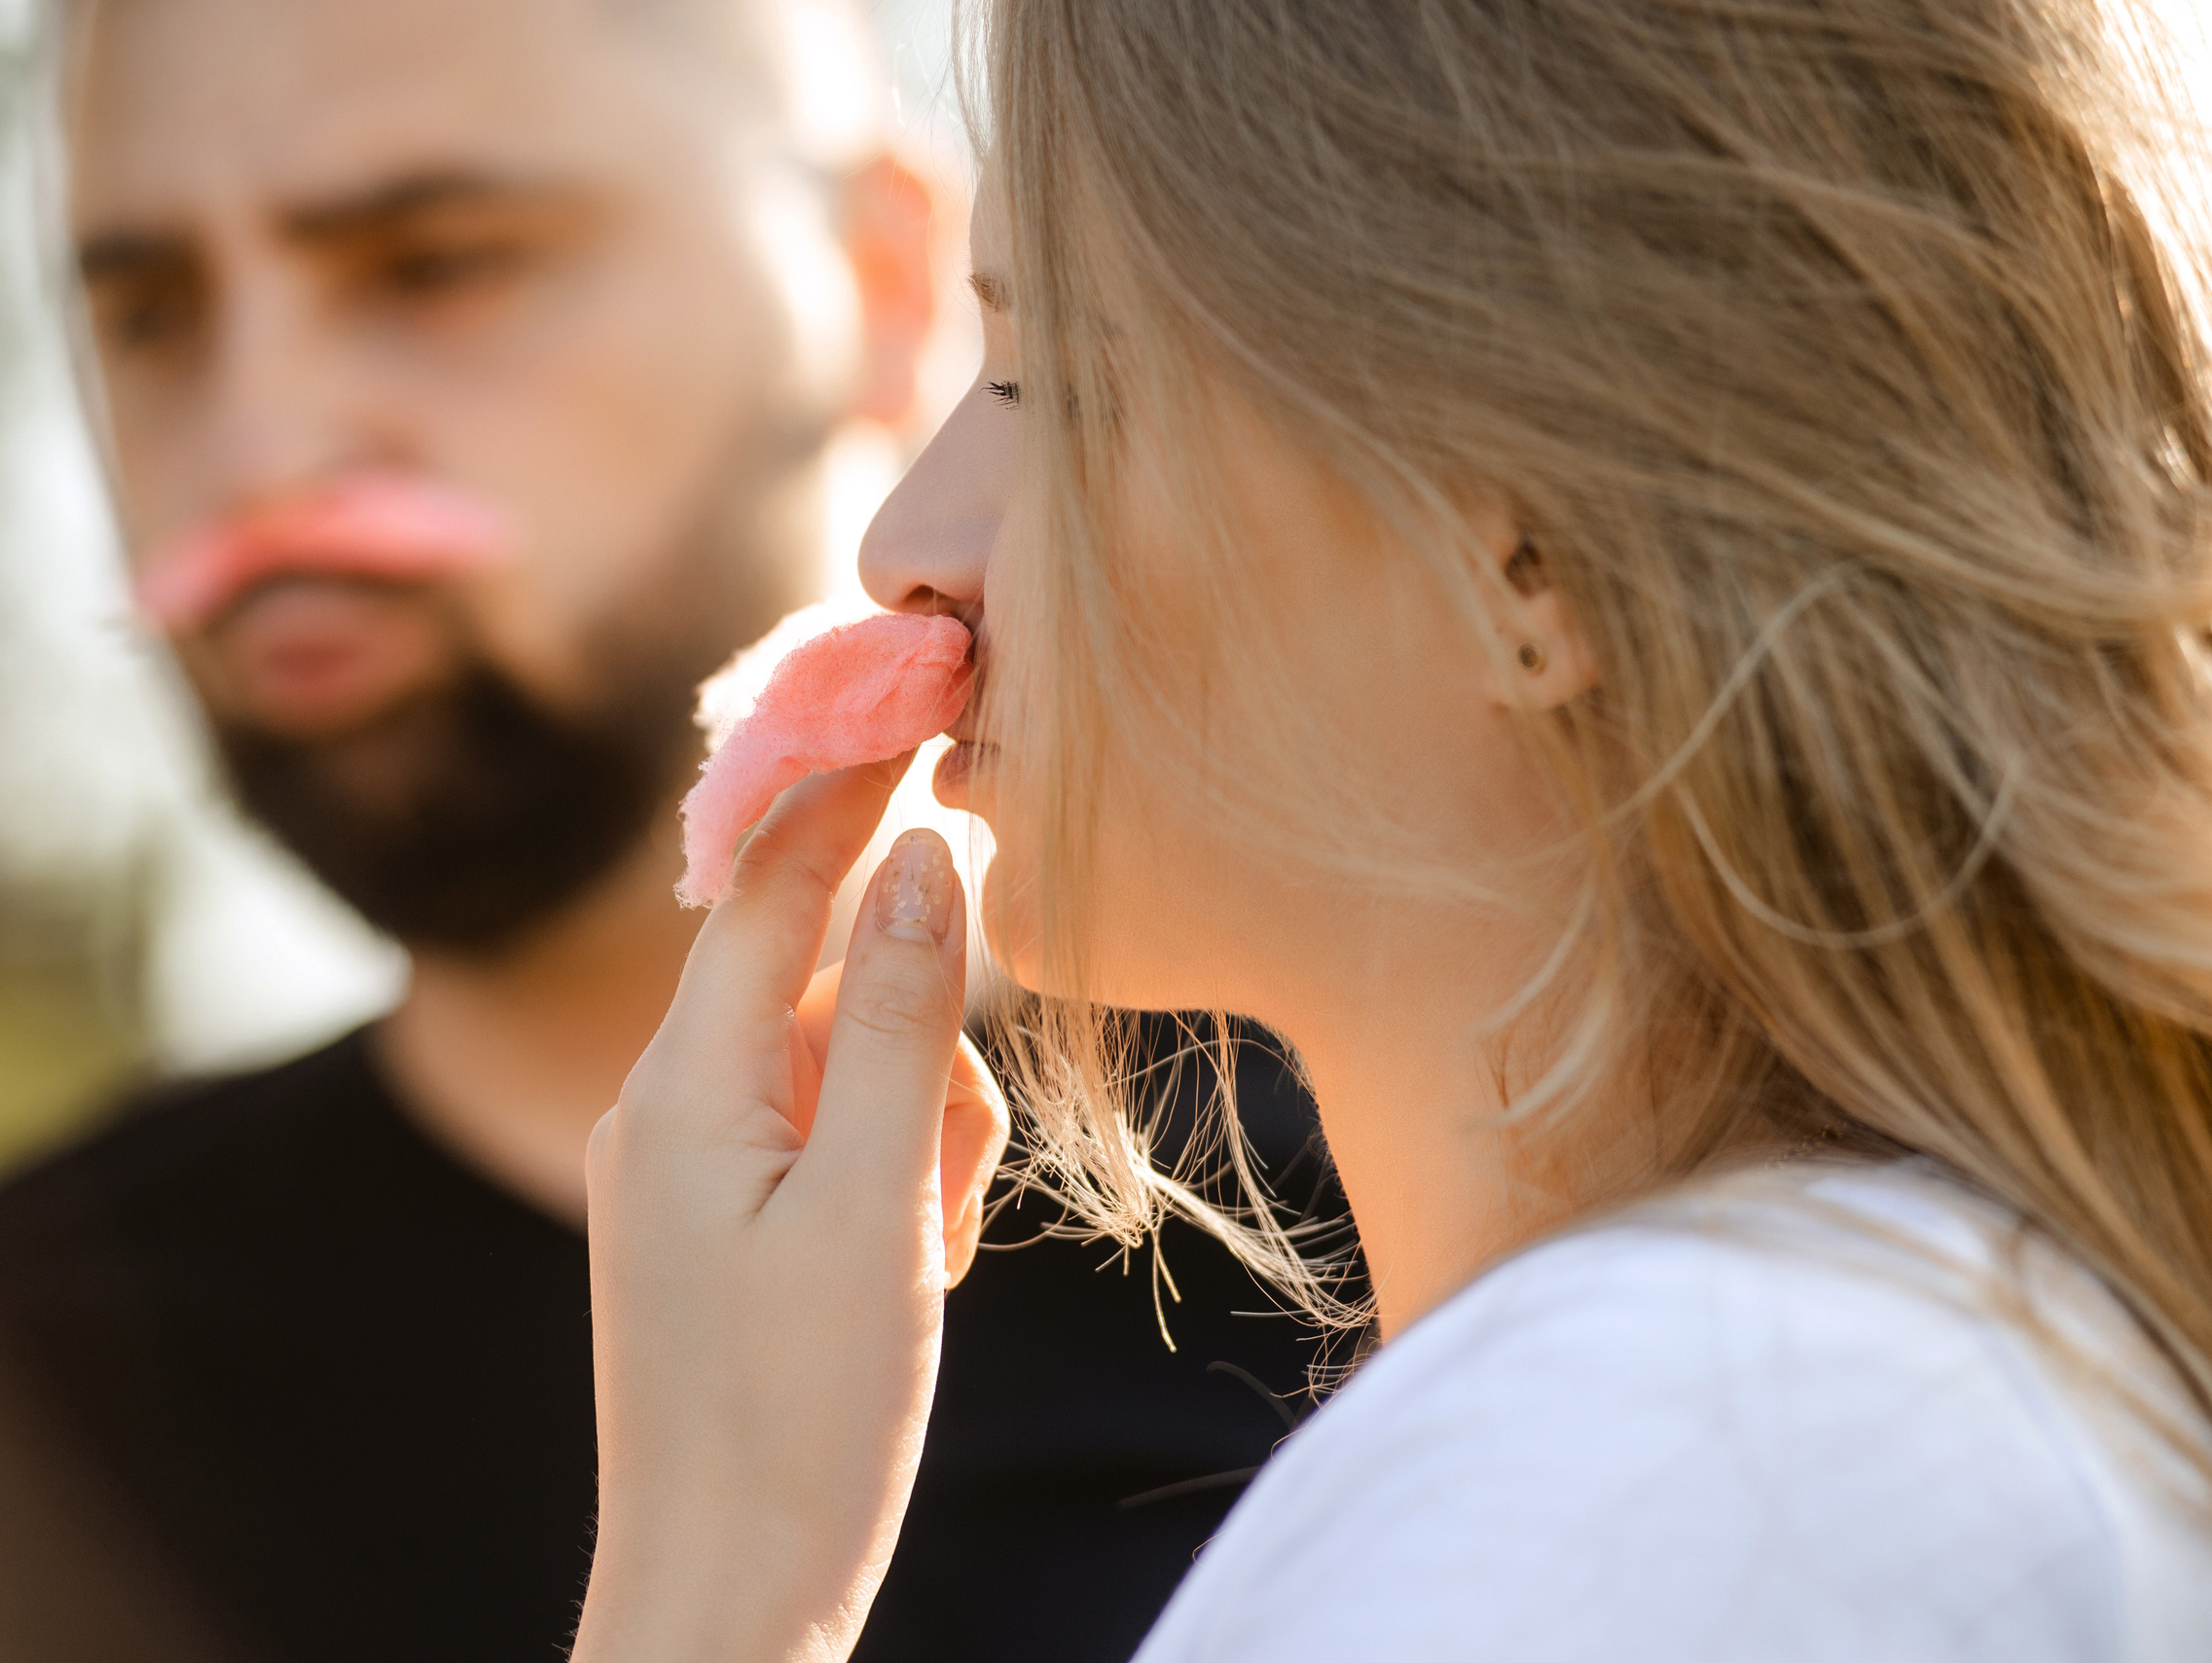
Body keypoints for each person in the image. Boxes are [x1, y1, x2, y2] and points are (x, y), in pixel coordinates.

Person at [571, 0, 2212, 1657]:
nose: (902, 546)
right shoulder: (1854, 1378)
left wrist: (715, 1580)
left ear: (1533, 548)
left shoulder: (1670, 1453)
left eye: (1048, 381)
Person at [0, 1, 1338, 1658]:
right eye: (153, 313)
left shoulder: (1415, 1254)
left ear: (883, 288)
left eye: (438, 264)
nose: (258, 450)